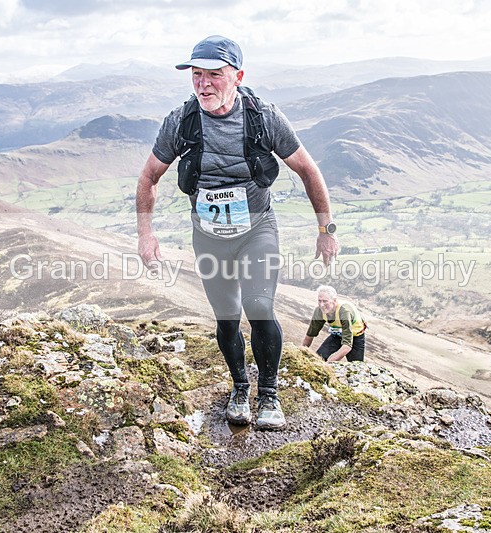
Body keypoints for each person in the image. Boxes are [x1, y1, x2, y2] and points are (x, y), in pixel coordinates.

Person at [136, 35, 339, 429]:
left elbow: (308, 170)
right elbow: (149, 176)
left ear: (238, 77)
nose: (203, 84)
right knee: (227, 317)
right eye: (197, 74)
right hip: (208, 236)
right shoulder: (181, 121)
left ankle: (269, 394)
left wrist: (326, 229)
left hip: (256, 229)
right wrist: (146, 233)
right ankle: (240, 387)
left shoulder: (263, 117)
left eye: (214, 74)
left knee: (259, 306)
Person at [302, 285, 367, 362]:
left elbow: (347, 346)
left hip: (355, 337)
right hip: (337, 335)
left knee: (356, 364)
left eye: (325, 301)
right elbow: (310, 335)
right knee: (319, 358)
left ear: (334, 300)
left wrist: (327, 364)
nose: (321, 305)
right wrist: (300, 354)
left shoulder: (344, 311)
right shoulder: (319, 311)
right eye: (319, 301)